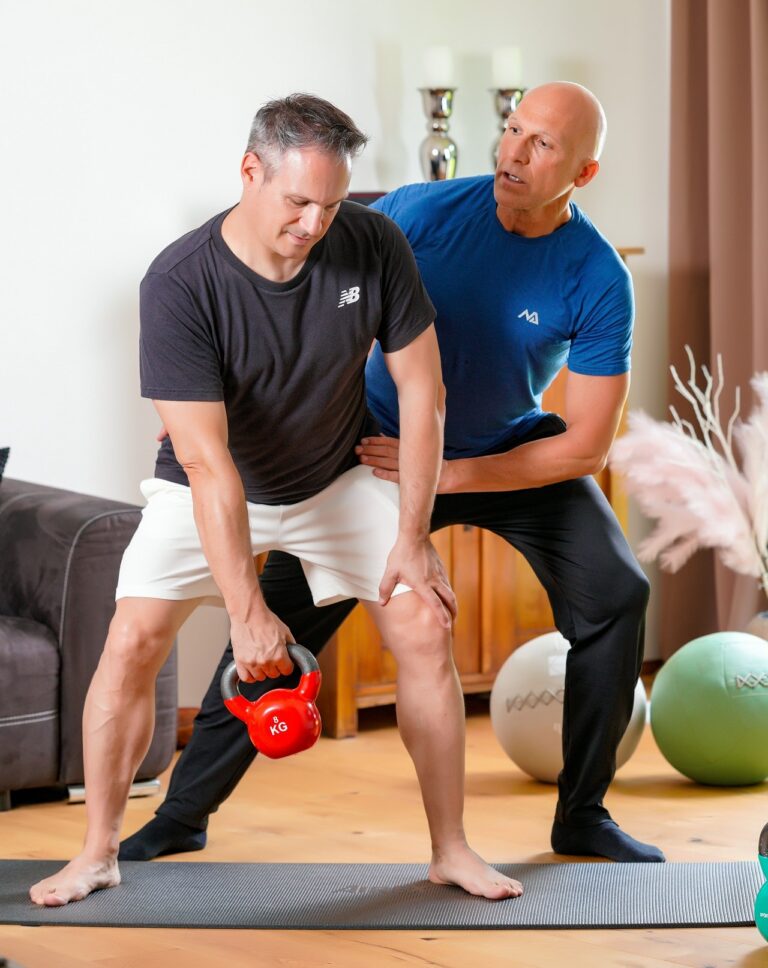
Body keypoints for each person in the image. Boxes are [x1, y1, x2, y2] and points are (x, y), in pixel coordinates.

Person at [120, 81, 665, 868]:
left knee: (619, 593)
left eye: (542, 144)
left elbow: (585, 448)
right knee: (275, 614)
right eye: (513, 129)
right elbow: (310, 255)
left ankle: (582, 813)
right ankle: (183, 812)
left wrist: (453, 476)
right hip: (376, 445)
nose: (513, 150)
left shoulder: (598, 276)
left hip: (509, 454)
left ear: (582, 175)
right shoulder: (420, 211)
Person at [29, 93, 523, 907]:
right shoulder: (181, 282)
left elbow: (423, 392)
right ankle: (97, 852)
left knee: (424, 623)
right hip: (212, 485)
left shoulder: (372, 243)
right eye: (298, 201)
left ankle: (451, 849)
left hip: (335, 476)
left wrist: (410, 535)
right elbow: (206, 461)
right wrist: (246, 609)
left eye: (330, 204)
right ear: (250, 171)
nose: (314, 222)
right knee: (130, 643)